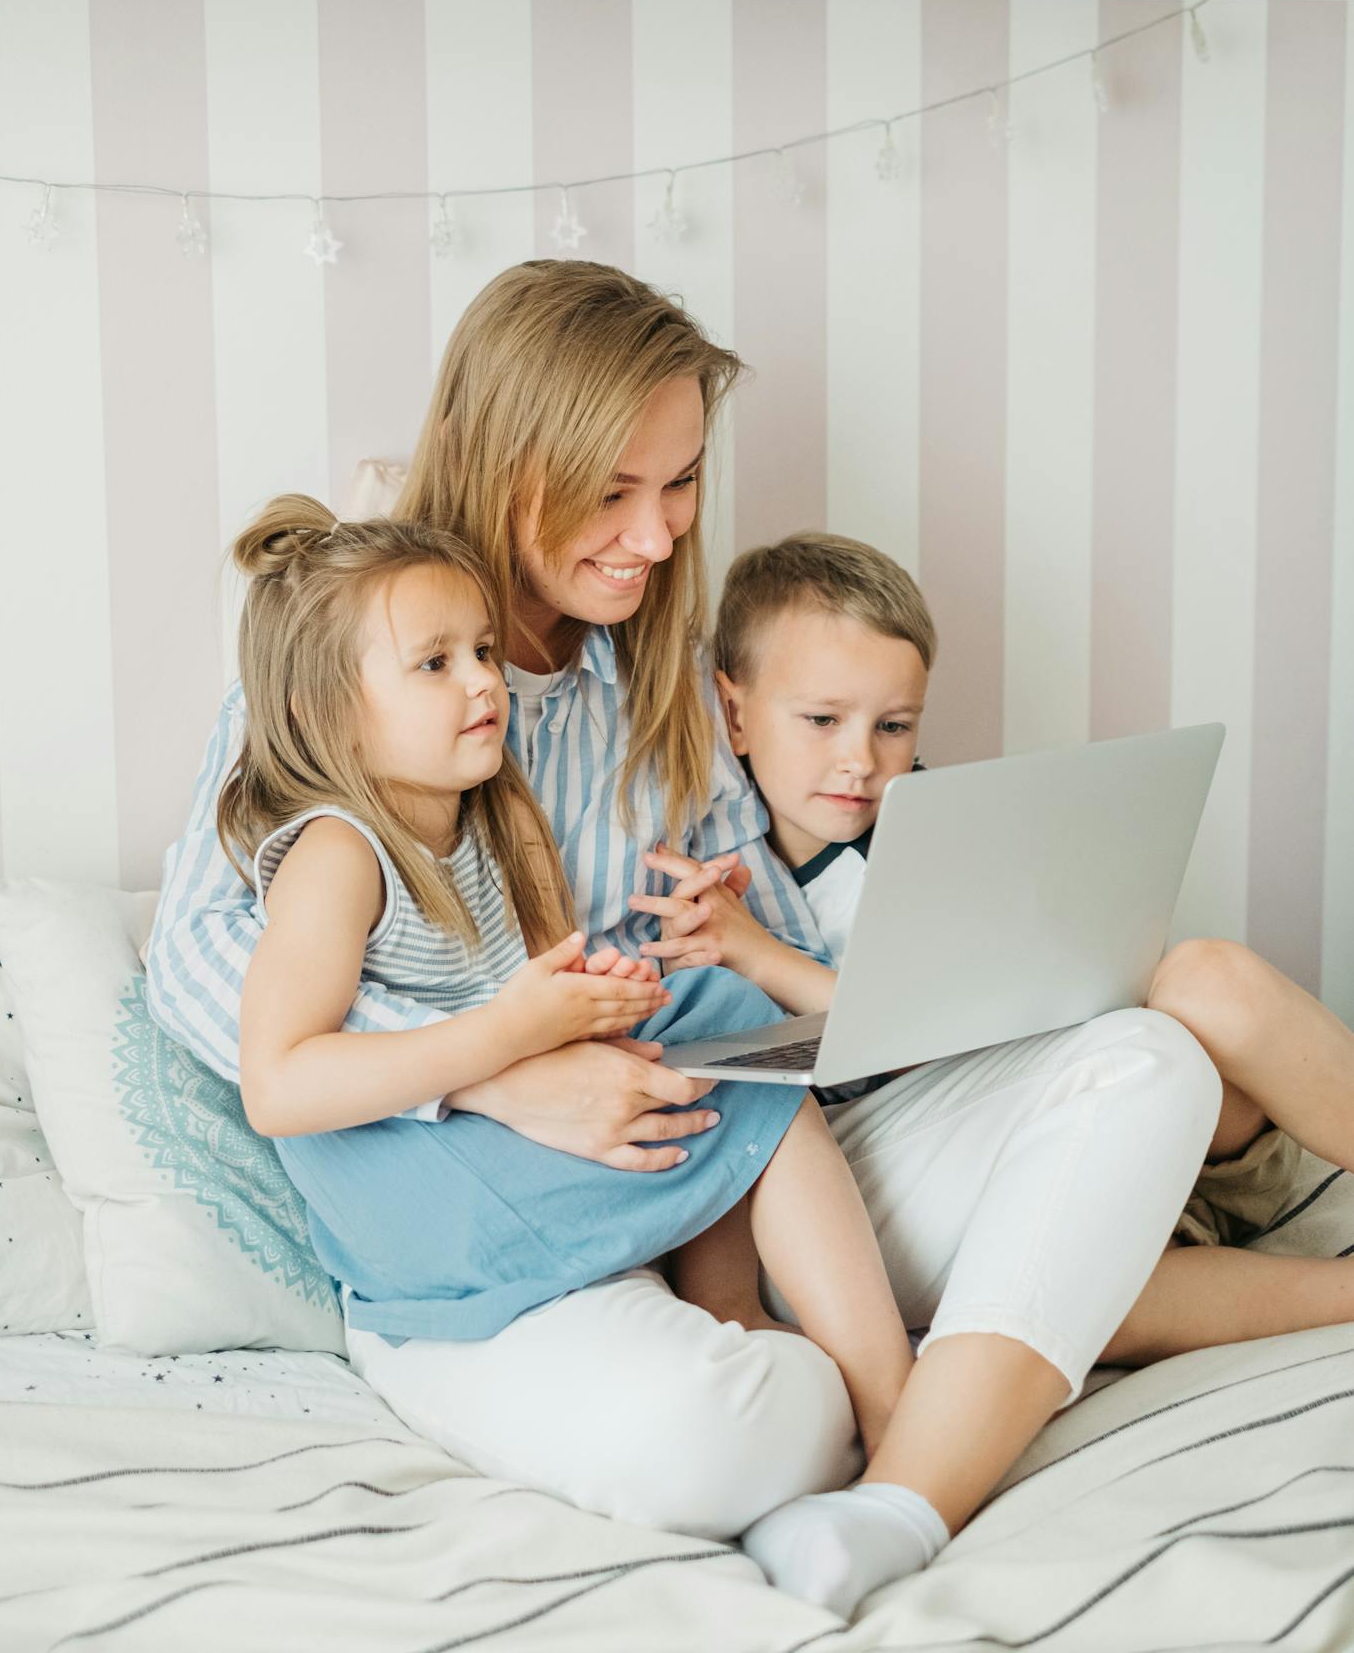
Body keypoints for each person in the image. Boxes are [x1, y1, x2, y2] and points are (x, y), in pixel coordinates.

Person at [147, 259, 1220, 1577]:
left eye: (682, 483)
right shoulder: (352, 663)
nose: (657, 538)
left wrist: (959, 954)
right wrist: (500, 1072)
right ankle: (901, 1407)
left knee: (1147, 1061)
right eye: (613, 492)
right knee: (726, 1430)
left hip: (719, 1152)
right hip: (502, 1225)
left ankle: (901, 1495)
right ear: (501, 460)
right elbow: (198, 965)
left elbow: (763, 966)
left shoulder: (655, 675)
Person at [703, 529, 1354, 1612]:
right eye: (821, 721)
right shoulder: (712, 853)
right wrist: (758, 952)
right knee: (1108, 1201)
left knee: (1204, 983)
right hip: (847, 1189)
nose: (859, 758)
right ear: (735, 711)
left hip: (1054, 1105)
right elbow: (880, 1033)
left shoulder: (930, 831)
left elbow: (976, 1004)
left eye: (894, 725)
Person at [223, 494, 915, 1469]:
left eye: (482, 650)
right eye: (435, 662)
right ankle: (895, 1403)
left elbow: (553, 997)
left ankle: (729, 1304)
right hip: (408, 1198)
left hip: (487, 1150)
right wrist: (510, 1032)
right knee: (729, 1028)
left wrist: (612, 990)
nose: (482, 680)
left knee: (714, 1018)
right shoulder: (339, 852)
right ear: (322, 707)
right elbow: (278, 1082)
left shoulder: (501, 821)